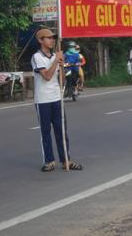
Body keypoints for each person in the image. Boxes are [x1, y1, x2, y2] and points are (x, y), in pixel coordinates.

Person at [31, 28, 82, 172]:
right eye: (48, 38)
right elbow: (46, 76)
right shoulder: (37, 57)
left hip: (56, 97)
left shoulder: (56, 55)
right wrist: (55, 61)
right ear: (41, 40)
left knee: (61, 131)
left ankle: (66, 160)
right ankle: (49, 161)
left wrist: (62, 65)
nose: (52, 40)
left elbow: (61, 79)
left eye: (53, 38)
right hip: (42, 99)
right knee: (46, 131)